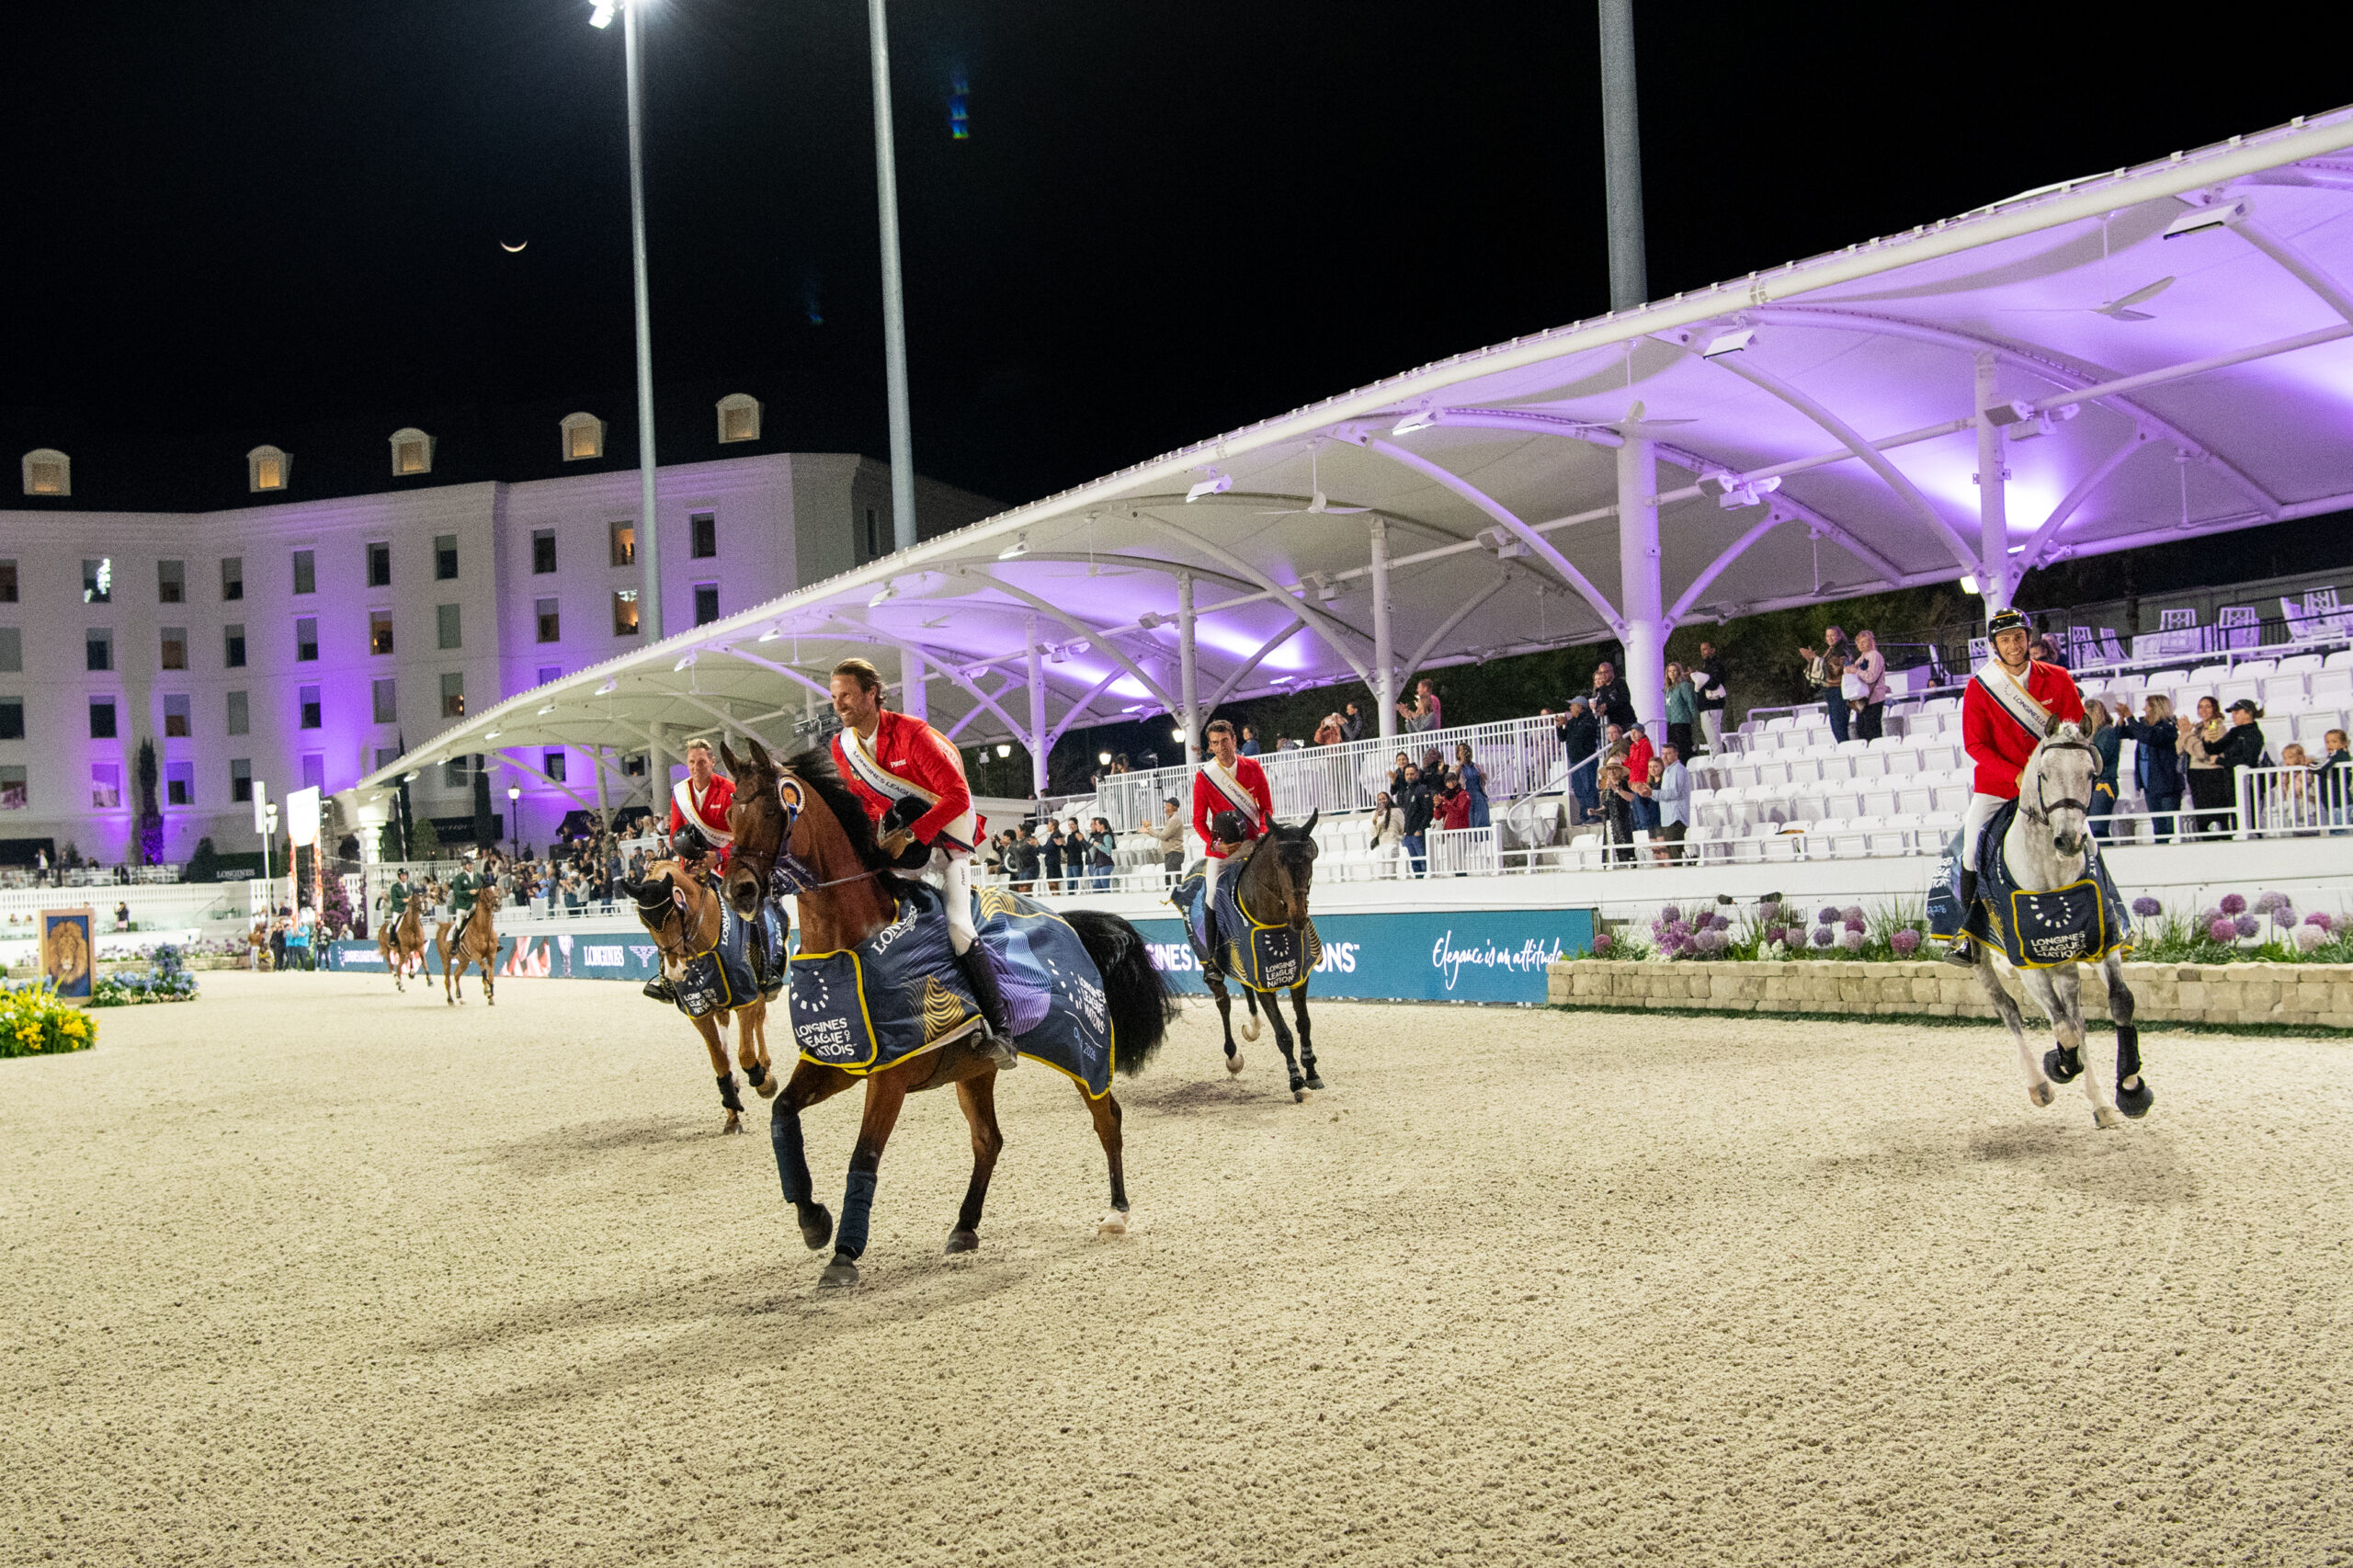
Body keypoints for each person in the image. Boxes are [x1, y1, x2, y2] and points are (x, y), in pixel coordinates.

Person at [824, 657, 1015, 1064]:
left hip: (948, 844)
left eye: (848, 696)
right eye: (835, 697)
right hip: (900, 848)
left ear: (872, 693)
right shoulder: (842, 747)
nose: (839, 705)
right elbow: (865, 805)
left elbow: (957, 797)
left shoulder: (913, 734)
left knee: (959, 928)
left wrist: (911, 834)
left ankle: (1001, 1032)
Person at [1946, 607, 2085, 966]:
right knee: (1971, 850)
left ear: (2028, 638)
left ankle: (2110, 919)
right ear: (1995, 645)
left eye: (2018, 638)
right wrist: (2016, 775)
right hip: (1998, 785)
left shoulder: (2058, 678)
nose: (2013, 645)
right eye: (2005, 640)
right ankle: (1969, 934)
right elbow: (1975, 745)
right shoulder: (1980, 687)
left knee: (2088, 843)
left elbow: (2075, 728)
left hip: (2050, 787)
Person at [1190, 719, 1275, 959]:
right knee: (1211, 894)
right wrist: (1218, 845)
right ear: (1211, 746)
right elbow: (1198, 821)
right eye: (1215, 743)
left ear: (1234, 740)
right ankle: (1212, 960)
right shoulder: (1205, 777)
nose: (1221, 747)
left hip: (1253, 843)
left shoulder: (1253, 767)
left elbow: (1266, 808)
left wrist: (1262, 834)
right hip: (1222, 849)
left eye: (1225, 741)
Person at [2120, 694, 2183, 842]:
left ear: (2156, 708)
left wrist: (2130, 717)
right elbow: (2122, 733)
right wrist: (2122, 719)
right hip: (2149, 783)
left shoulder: (2168, 727)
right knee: (2158, 825)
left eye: (2147, 706)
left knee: (2169, 825)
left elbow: (2149, 737)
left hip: (2166, 784)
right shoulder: (2145, 726)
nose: (2144, 709)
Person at [2178, 696, 2233, 837]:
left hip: (2211, 774)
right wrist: (2184, 733)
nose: (2204, 710)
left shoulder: (2216, 726)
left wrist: (2187, 735)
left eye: (2208, 706)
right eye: (2200, 707)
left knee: (2214, 813)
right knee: (2201, 814)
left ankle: (2219, 838)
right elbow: (2179, 749)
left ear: (2215, 708)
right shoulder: (2197, 728)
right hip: (2196, 773)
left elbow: (2204, 751)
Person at [1558, 697, 1599, 826]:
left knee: (1589, 788)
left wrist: (1567, 723)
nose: (1570, 707)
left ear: (1580, 707)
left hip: (1586, 759)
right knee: (1579, 789)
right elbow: (1563, 738)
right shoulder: (1573, 721)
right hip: (1574, 760)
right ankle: (1584, 816)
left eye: (1573, 705)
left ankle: (1594, 815)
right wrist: (1560, 726)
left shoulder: (1589, 719)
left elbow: (1581, 735)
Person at [2084, 699, 2121, 840]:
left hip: (2104, 784)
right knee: (2090, 830)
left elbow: (2100, 757)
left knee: (2098, 829)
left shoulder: (2107, 732)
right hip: (2092, 785)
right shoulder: (2093, 735)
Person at [1850, 630, 1890, 741]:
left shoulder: (1874, 656)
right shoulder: (1861, 658)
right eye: (1858, 642)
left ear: (1871, 642)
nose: (1861, 645)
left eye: (1863, 642)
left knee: (1872, 729)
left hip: (1873, 698)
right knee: (1861, 729)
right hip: (1862, 698)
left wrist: (1856, 671)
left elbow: (1871, 677)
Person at [1654, 744, 1690, 863]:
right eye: (1663, 753)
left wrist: (1652, 793)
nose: (1664, 757)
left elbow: (1674, 793)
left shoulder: (1678, 769)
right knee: (1672, 851)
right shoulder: (1668, 771)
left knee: (1675, 852)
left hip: (1676, 818)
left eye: (1668, 753)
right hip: (1668, 818)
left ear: (1676, 754)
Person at [1691, 641, 1728, 755]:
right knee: (1711, 737)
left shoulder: (1716, 665)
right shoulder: (1706, 666)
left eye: (1706, 649)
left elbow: (1713, 684)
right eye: (1702, 650)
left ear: (1713, 650)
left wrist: (1699, 678)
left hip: (1712, 706)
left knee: (1713, 738)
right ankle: (1717, 757)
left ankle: (1719, 760)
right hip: (1706, 707)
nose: (1703, 652)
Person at [1398, 763, 1433, 877]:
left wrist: (1420, 829)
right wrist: (1405, 831)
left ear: (1417, 774)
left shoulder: (1422, 789)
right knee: (1414, 864)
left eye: (1412, 774)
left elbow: (1428, 812)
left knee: (1424, 862)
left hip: (1418, 833)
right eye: (1407, 774)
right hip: (1408, 833)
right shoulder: (1406, 792)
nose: (1409, 776)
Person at [1663, 660, 1699, 760]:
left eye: (1674, 670)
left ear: (1679, 671)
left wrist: (1695, 717)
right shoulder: (1668, 689)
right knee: (1672, 749)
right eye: (1670, 671)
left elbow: (1690, 702)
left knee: (1683, 748)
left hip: (1682, 721)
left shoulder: (1684, 686)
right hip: (1671, 723)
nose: (1672, 673)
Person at [2320, 729, 2352, 834]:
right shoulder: (2334, 756)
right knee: (2336, 831)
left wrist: (2308, 764)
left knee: (2339, 832)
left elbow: (2320, 768)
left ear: (2343, 744)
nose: (2330, 745)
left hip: (2339, 803)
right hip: (2334, 803)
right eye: (2327, 742)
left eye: (2334, 742)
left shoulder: (2339, 754)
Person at [1370, 790, 1407, 878]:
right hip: (1380, 843)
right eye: (1379, 799)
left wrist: (1397, 837)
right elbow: (1373, 832)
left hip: (1392, 842)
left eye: (1384, 799)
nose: (1382, 801)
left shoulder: (1397, 811)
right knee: (1380, 872)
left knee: (1390, 871)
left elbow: (1401, 827)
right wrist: (1375, 820)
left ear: (1388, 799)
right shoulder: (1375, 813)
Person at [1586, 662, 1634, 731]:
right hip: (1614, 723)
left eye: (1605, 672)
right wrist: (1598, 708)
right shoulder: (1602, 689)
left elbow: (1625, 699)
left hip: (1627, 720)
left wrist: (1607, 705)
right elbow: (1602, 705)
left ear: (1611, 671)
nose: (1603, 675)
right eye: (1600, 673)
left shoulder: (1620, 683)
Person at [1150, 797, 1188, 878]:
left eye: (1168, 805)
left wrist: (1149, 829)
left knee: (1172, 879)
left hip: (1174, 853)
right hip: (1172, 853)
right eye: (1166, 805)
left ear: (1174, 807)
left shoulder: (1174, 819)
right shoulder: (1172, 819)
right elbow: (1162, 835)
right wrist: (1148, 830)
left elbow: (1163, 836)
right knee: (1172, 879)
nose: (1166, 807)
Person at [1455, 743, 1490, 829]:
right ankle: (1471, 837)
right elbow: (1453, 778)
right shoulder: (1455, 766)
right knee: (1468, 819)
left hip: (1478, 795)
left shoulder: (1476, 766)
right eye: (1461, 750)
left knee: (1481, 818)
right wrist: (1461, 763)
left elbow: (1483, 782)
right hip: (1465, 796)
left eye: (1466, 749)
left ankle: (1482, 836)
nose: (1464, 752)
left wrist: (1483, 777)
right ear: (1458, 754)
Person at [1086, 817, 1117, 892]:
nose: (1095, 826)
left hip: (1105, 864)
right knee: (1096, 887)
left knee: (1105, 886)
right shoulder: (1099, 836)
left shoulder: (1107, 836)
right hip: (1098, 864)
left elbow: (1108, 851)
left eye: (1096, 824)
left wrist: (1098, 845)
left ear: (1102, 825)